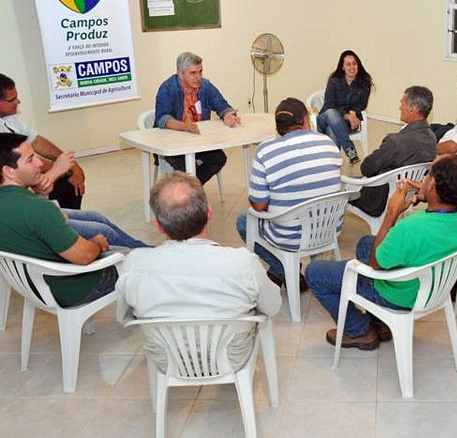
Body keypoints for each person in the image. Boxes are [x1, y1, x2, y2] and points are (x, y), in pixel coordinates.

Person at [305, 154, 457, 350]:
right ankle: (380, 323)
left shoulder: (411, 228)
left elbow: (376, 263)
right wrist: (427, 194)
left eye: (427, 175)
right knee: (365, 242)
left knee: (315, 272)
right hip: (434, 286)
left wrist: (392, 213)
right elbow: (446, 214)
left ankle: (359, 331)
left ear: (432, 183)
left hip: (399, 295)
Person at [116, 171, 281, 371]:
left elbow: (124, 316)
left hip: (168, 362)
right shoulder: (242, 263)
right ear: (208, 213)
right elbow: (272, 306)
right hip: (230, 359)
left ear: (159, 226)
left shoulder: (134, 264)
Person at [0, 133, 118, 308]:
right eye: (30, 159)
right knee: (130, 260)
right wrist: (98, 244)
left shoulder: (20, 204)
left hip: (31, 287)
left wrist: (41, 197)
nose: (40, 163)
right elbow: (84, 256)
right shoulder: (37, 209)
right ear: (8, 171)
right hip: (69, 288)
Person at [236, 97, 341, 290]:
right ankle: (287, 271)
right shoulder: (329, 143)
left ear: (278, 128)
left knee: (244, 221)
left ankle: (286, 271)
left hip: (289, 235)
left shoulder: (265, 151)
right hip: (328, 228)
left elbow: (259, 206)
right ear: (305, 121)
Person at [0, 73, 86, 209]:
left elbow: (36, 141)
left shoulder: (9, 117)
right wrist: (64, 169)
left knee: (69, 185)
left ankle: (65, 221)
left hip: (22, 178)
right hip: (12, 192)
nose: (18, 102)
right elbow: (24, 162)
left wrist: (71, 165)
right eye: (12, 100)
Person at [154, 52, 241, 185]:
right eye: (193, 73)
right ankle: (192, 191)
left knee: (218, 159)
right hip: (173, 143)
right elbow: (163, 119)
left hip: (198, 141)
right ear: (181, 73)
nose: (198, 77)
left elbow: (221, 104)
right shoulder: (167, 88)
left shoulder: (205, 86)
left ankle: (192, 190)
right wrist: (185, 127)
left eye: (200, 72)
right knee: (186, 168)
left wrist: (227, 114)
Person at [349, 85, 436, 217]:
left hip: (379, 199)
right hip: (408, 195)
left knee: (341, 185)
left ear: (413, 109)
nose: (399, 107)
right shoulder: (431, 137)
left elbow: (366, 168)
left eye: (402, 103)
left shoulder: (395, 142)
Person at [317, 50, 374, 165]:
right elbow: (329, 105)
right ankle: (350, 150)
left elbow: (362, 104)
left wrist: (353, 113)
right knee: (332, 113)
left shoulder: (364, 82)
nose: (352, 67)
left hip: (344, 124)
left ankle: (333, 164)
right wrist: (347, 115)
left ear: (358, 65)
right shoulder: (334, 80)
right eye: (348, 64)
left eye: (354, 63)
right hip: (324, 118)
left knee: (332, 130)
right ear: (342, 67)